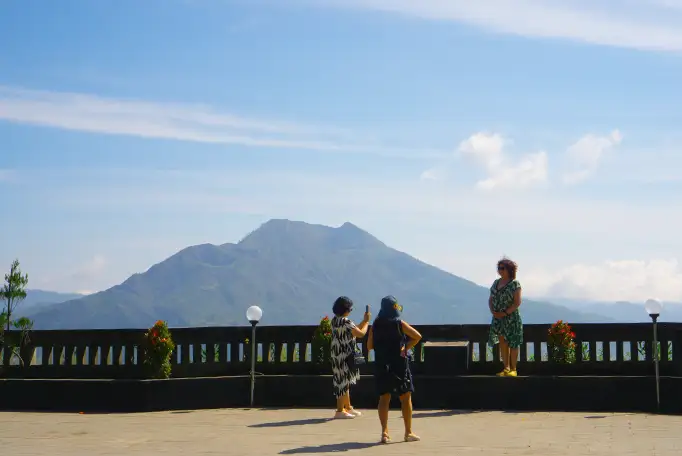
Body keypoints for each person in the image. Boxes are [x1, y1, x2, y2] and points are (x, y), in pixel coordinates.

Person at [367, 295, 422, 444]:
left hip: (382, 364)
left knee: (384, 398)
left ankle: (384, 433)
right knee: (405, 398)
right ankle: (408, 432)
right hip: (399, 364)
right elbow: (417, 336)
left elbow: (369, 346)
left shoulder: (376, 324)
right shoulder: (399, 323)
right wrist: (405, 348)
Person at [330, 296, 370, 419]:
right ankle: (339, 410)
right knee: (342, 382)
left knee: (344, 380)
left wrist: (363, 321)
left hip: (336, 354)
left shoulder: (335, 320)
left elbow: (354, 330)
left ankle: (347, 407)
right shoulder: (346, 322)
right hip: (345, 355)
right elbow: (361, 333)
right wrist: (367, 322)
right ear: (346, 310)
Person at [488, 257, 524, 377]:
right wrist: (493, 311)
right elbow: (491, 298)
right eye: (498, 268)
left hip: (511, 318)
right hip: (498, 318)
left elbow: (517, 302)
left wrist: (505, 313)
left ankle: (514, 369)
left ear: (510, 269)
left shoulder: (515, 284)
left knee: (513, 342)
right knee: (502, 341)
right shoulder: (495, 283)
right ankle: (506, 368)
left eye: (502, 268)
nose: (500, 270)